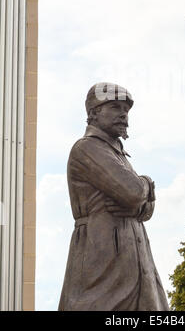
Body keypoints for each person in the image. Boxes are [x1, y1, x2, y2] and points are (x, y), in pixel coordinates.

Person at [58, 82, 170, 311]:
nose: (123, 116)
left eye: (126, 111)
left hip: (135, 265)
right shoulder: (88, 148)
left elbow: (144, 210)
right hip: (103, 265)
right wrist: (147, 183)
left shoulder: (117, 154)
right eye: (116, 108)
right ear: (94, 113)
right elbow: (133, 193)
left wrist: (140, 203)